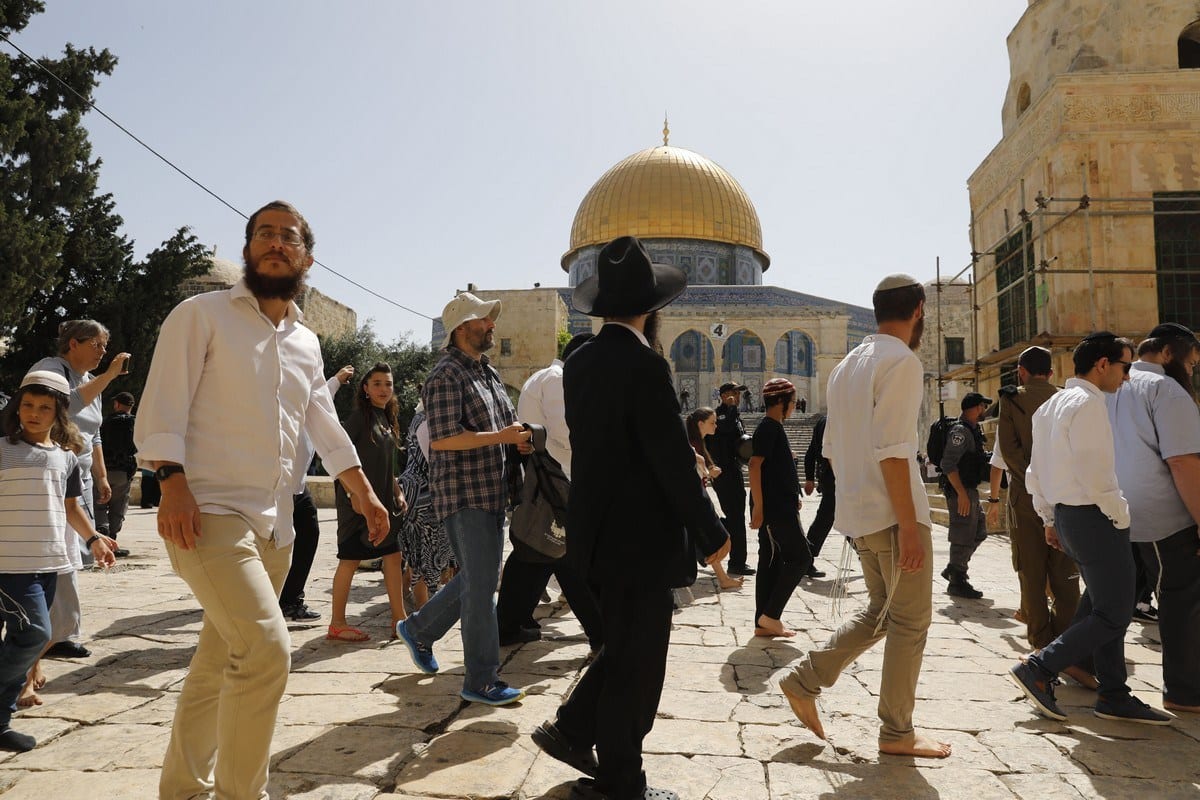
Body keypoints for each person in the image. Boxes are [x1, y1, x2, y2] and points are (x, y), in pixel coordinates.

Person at [136, 200, 389, 799]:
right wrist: (171, 481)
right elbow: (163, 402)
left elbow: (323, 423)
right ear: (248, 249)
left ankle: (181, 789)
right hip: (208, 516)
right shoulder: (201, 315)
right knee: (268, 653)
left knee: (213, 667)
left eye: (290, 236)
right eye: (265, 234)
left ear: (306, 255)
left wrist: (366, 492)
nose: (277, 243)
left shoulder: (304, 340)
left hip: (275, 530)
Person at [531, 236, 729, 800]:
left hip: (596, 534)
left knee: (623, 650)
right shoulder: (644, 365)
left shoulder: (581, 362)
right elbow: (668, 459)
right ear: (652, 307)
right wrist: (711, 531)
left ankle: (574, 731)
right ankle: (620, 781)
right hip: (640, 541)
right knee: (637, 667)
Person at [780, 274, 951, 759]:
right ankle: (897, 731)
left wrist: (857, 512)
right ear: (918, 309)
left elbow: (832, 452)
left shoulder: (847, 366)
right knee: (910, 622)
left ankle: (803, 679)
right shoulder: (900, 362)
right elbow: (895, 453)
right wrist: (909, 528)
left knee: (881, 613)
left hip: (860, 515)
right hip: (896, 516)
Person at [1010, 332, 1173, 725]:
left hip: (1068, 516)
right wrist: (1122, 516)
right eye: (1124, 367)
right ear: (1102, 364)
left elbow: (1036, 471)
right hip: (1096, 518)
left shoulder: (1052, 405)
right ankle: (1040, 668)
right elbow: (1097, 474)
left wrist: (1049, 517)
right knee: (1115, 613)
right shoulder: (1089, 404)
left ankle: (1114, 694)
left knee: (1104, 605)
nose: (1128, 377)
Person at [394, 291, 532, 707]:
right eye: (483, 320)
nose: (491, 325)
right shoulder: (445, 376)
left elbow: (502, 425)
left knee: (480, 580)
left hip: (493, 492)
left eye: (491, 319)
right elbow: (444, 439)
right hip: (464, 494)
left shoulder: (485, 372)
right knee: (480, 590)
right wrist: (502, 437)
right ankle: (481, 679)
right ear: (461, 328)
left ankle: (419, 629)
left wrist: (518, 440)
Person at [0, 371, 115, 749]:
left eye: (43, 408)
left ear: (59, 414)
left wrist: (94, 538)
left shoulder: (66, 459)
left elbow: (70, 508)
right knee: (35, 634)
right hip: (9, 564)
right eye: (27, 406)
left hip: (48, 562)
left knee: (28, 637)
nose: (33, 413)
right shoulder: (2, 449)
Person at [1107, 322, 1200, 714]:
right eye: (1191, 362)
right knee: (1181, 600)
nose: (1192, 371)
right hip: (1162, 515)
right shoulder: (1166, 389)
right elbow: (1182, 461)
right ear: (1167, 354)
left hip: (1117, 509)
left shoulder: (1112, 387)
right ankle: (1184, 690)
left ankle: (1076, 661)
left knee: (1112, 594)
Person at [496, 334, 603, 648]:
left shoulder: (545, 377)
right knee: (564, 555)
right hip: (555, 481)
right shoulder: (557, 380)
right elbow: (567, 433)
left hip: (548, 479)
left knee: (538, 554)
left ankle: (508, 625)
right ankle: (601, 631)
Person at [31, 320, 130, 661]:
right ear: (74, 343)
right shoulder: (50, 369)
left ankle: (61, 631)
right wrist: (110, 377)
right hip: (50, 476)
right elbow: (63, 407)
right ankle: (59, 633)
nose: (104, 352)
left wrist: (101, 477)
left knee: (70, 556)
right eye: (98, 345)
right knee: (59, 554)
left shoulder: (91, 382)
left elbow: (94, 434)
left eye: (106, 346)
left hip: (80, 477)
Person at [996, 348, 1091, 683]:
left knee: (1031, 573)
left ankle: (1041, 645)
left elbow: (1010, 452)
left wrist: (1037, 482)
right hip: (1066, 497)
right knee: (1066, 577)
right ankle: (1063, 648)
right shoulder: (1068, 398)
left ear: (1021, 372)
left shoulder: (1012, 400)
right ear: (1051, 373)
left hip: (1026, 499)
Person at [327, 364, 410, 642]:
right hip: (357, 504)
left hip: (384, 502)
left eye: (388, 384)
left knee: (393, 555)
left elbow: (388, 464)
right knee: (349, 560)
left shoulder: (386, 418)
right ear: (365, 388)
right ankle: (337, 623)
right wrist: (353, 496)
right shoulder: (359, 420)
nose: (383, 389)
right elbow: (337, 459)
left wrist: (397, 490)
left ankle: (399, 620)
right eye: (376, 384)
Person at [278, 365, 353, 622]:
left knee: (309, 536)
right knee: (274, 549)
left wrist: (337, 379)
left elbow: (323, 394)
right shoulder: (280, 401)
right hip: (276, 489)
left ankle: (290, 601)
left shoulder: (312, 404)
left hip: (299, 488)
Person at [749, 378, 813, 638]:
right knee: (801, 558)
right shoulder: (769, 428)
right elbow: (755, 466)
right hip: (776, 509)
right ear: (780, 402)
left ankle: (762, 621)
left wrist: (793, 492)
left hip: (779, 504)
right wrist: (759, 508)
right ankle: (771, 614)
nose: (794, 406)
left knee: (771, 560)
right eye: (792, 401)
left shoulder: (773, 427)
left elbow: (775, 469)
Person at [396, 396, 454, 611]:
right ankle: (422, 607)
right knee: (425, 552)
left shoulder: (420, 418)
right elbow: (435, 460)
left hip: (417, 490)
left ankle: (407, 594)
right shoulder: (426, 422)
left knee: (417, 551)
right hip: (423, 493)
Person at [939, 391, 992, 599]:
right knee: (963, 534)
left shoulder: (972, 429)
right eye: (983, 407)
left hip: (969, 489)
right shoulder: (960, 431)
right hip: (960, 490)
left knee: (979, 531)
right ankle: (957, 580)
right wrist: (961, 493)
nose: (984, 411)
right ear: (976, 407)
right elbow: (947, 463)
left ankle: (954, 568)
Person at [685, 407, 743, 591]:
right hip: (690, 501)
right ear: (701, 424)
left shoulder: (698, 443)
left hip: (694, 498)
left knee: (703, 539)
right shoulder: (690, 444)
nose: (716, 426)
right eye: (712, 422)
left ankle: (723, 578)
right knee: (705, 537)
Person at [707, 382, 753, 576]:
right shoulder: (719, 416)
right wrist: (731, 408)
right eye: (734, 392)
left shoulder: (734, 415)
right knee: (734, 517)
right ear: (725, 395)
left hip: (733, 471)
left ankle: (737, 559)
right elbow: (724, 430)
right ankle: (734, 560)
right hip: (723, 473)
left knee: (736, 517)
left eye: (739, 393)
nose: (738, 396)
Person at [95, 391, 137, 557]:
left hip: (104, 469)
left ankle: (102, 535)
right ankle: (112, 539)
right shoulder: (136, 423)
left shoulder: (105, 422)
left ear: (117, 404)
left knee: (99, 504)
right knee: (118, 506)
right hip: (124, 472)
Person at [802, 414, 833, 578]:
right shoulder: (833, 421)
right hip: (834, 477)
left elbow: (810, 452)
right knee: (825, 518)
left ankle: (864, 552)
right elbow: (815, 450)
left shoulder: (825, 421)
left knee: (844, 516)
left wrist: (809, 478)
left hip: (830, 477)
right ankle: (805, 559)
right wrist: (809, 478)